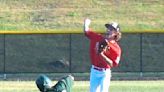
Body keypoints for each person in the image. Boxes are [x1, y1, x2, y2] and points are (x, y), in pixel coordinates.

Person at [83, 18, 122, 92]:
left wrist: (101, 54)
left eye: (111, 29)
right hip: (94, 71)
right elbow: (86, 32)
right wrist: (86, 23)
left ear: (116, 32)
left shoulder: (116, 48)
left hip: (105, 73)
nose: (108, 30)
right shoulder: (98, 38)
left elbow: (113, 64)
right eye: (108, 28)